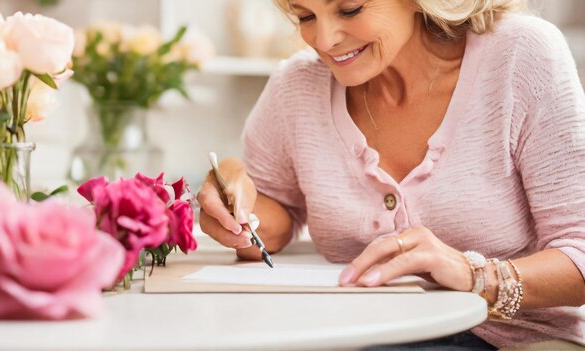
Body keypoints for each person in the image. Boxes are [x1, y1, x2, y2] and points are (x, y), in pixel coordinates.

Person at [197, 0, 585, 349]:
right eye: (305, 15)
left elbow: (579, 254)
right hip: (350, 334)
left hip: (509, 338)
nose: (325, 39)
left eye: (350, 9)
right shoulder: (296, 86)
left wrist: (474, 274)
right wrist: (234, 200)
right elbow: (275, 220)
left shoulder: (522, 55)